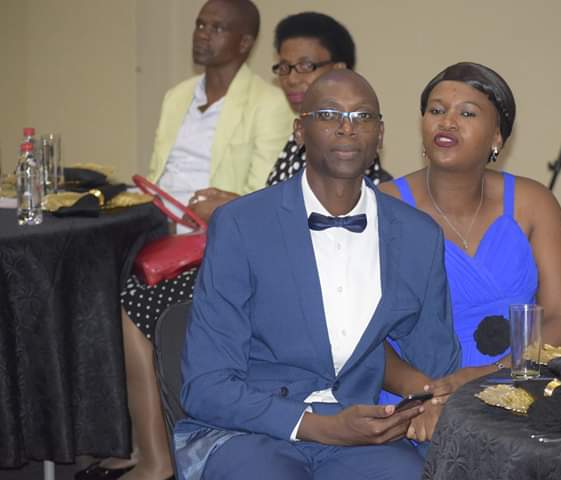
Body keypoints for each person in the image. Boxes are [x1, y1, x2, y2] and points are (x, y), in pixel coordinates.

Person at [174, 69, 459, 480]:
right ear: (299, 131)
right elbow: (204, 385)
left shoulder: (417, 236)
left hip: (363, 435)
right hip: (252, 429)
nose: (347, 128)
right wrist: (320, 426)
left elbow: (435, 367)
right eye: (328, 114)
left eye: (362, 117)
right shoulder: (241, 224)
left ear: (380, 135)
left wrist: (430, 403)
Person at [75, 2, 292, 479]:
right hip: (157, 232)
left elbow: (265, 199)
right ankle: (124, 440)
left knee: (134, 303)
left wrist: (219, 210)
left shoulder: (267, 103)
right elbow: (160, 174)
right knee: (86, 283)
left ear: (244, 43)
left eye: (217, 28)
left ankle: (156, 458)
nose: (202, 34)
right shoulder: (177, 96)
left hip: (218, 246)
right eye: (199, 24)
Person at [379, 62, 561, 440]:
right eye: (437, 110)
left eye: (467, 113)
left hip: (518, 383)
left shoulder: (532, 202)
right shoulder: (384, 206)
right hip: (414, 397)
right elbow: (358, 333)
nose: (447, 121)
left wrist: (493, 375)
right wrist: (429, 394)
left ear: (497, 137)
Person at [265, 12, 392, 186]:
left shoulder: (350, 138)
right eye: (285, 67)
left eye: (306, 66)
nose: (291, 79)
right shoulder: (300, 133)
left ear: (339, 69)